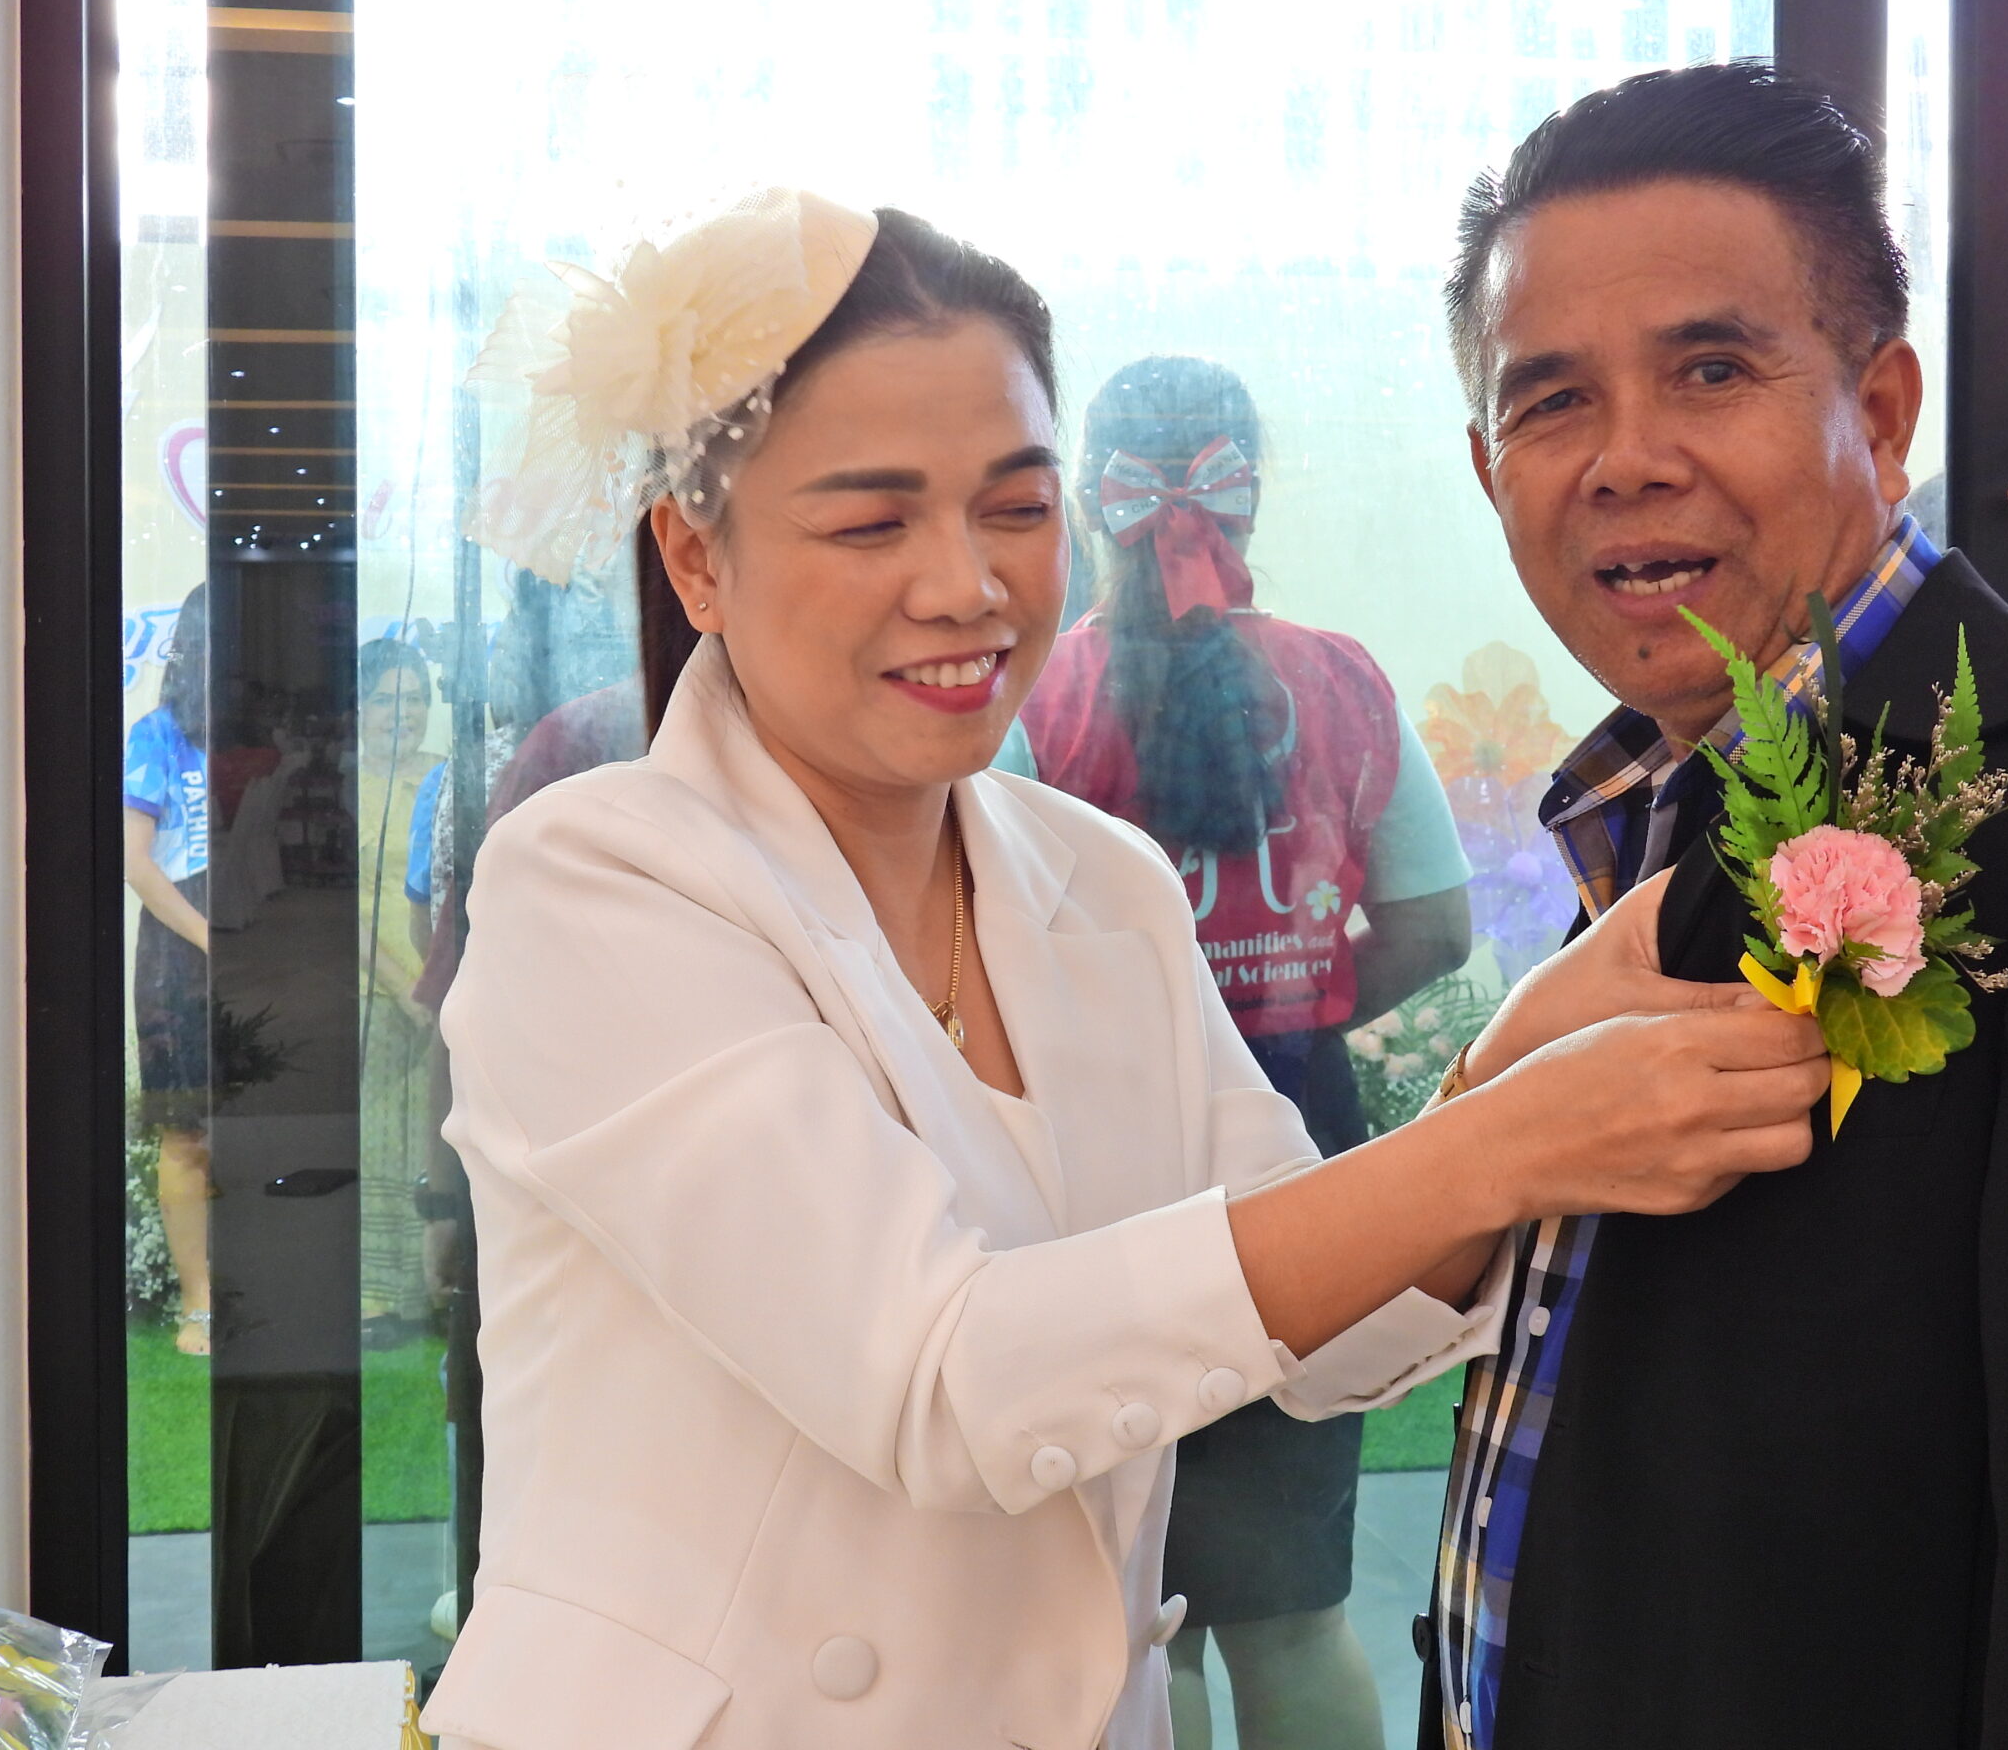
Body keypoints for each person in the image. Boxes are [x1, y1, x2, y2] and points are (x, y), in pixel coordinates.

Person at [419, 190, 1829, 1750]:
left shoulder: (1096, 877)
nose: (966, 585)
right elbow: (943, 1381)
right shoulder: (595, 884)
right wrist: (1505, 1140)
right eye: (872, 522)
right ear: (696, 558)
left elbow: (1335, 1328)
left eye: (1017, 508)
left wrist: (1517, 1055)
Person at [1418, 59, 2008, 1750]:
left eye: (1711, 370)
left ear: (1880, 412)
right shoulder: (1652, 819)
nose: (1625, 460)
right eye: (1552, 400)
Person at [1021, 354, 1473, 1750]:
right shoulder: (1343, 681)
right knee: (1292, 1616)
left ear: (1087, 504)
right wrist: (1296, 1002)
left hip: (1087, 1180)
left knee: (1129, 1612)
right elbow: (1437, 924)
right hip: (1305, 1156)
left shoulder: (1027, 704)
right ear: (1247, 495)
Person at [124, 583, 215, 1356]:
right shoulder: (156, 736)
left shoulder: (283, 733)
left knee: (269, 1126)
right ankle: (199, 1305)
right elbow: (135, 863)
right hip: (179, 955)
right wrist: (210, 936)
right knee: (186, 1134)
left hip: (271, 942)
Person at [356, 635, 448, 1328]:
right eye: (387, 700)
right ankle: (378, 1296)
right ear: (359, 707)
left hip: (448, 990)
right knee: (381, 1142)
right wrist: (401, 987)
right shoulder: (337, 784)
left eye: (414, 699)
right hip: (375, 995)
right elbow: (334, 903)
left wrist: (439, 989)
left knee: (439, 1139)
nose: (403, 713)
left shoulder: (447, 779)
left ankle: (440, 1291)